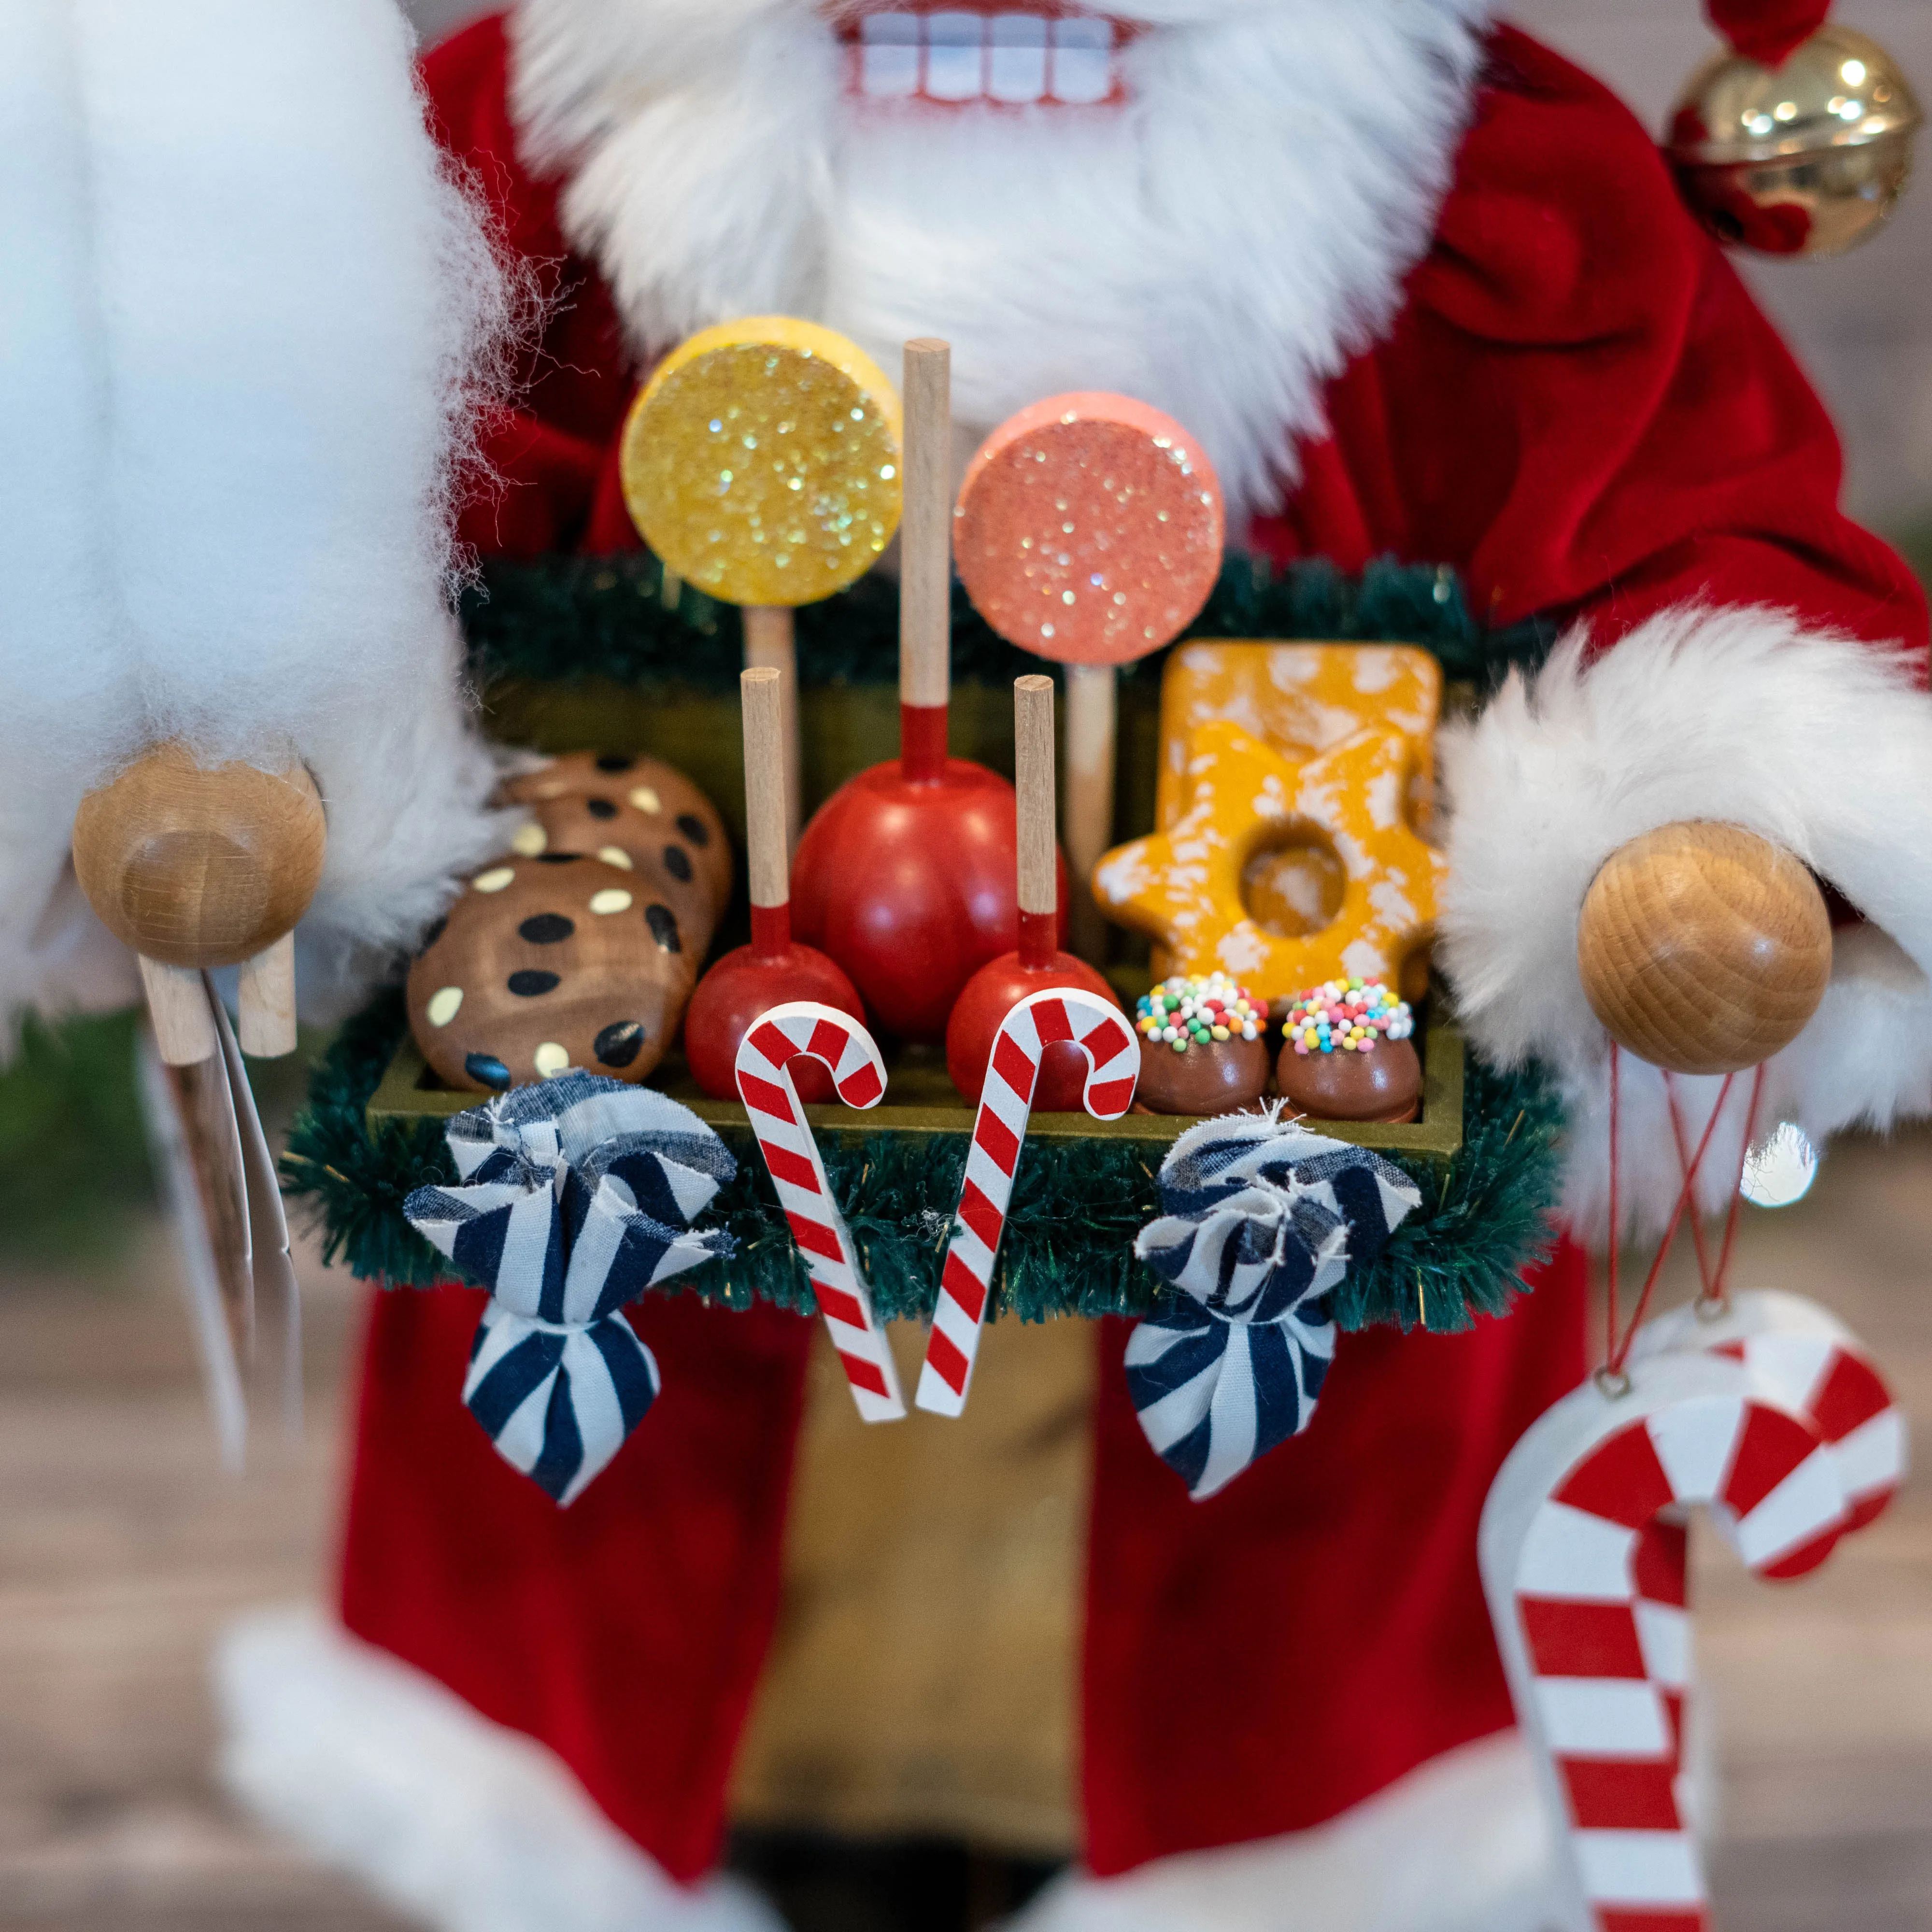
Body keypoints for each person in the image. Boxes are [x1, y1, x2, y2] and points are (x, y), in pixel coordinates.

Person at [220, 3, 1932, 1928]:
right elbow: (308, 492)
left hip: (1288, 1218)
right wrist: (254, 740)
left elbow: (1682, 524)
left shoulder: (1500, 208)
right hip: (674, 1200)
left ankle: (1241, 1837)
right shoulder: (537, 153)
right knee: (648, 1652)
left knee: (1282, 1655)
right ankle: (716, 1817)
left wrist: (1714, 802)